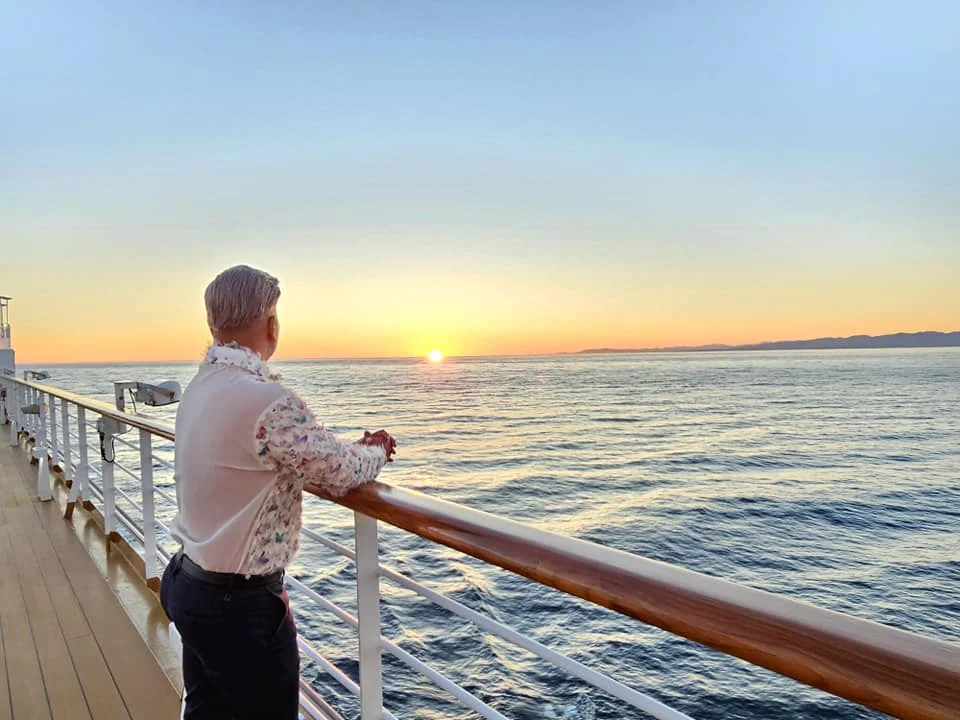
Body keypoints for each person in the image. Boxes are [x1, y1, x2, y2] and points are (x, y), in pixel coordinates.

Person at [160, 265, 396, 719]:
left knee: (207, 712)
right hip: (238, 610)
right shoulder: (265, 401)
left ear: (214, 324)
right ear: (271, 323)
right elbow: (341, 471)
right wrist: (378, 451)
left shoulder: (199, 388)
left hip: (188, 585)